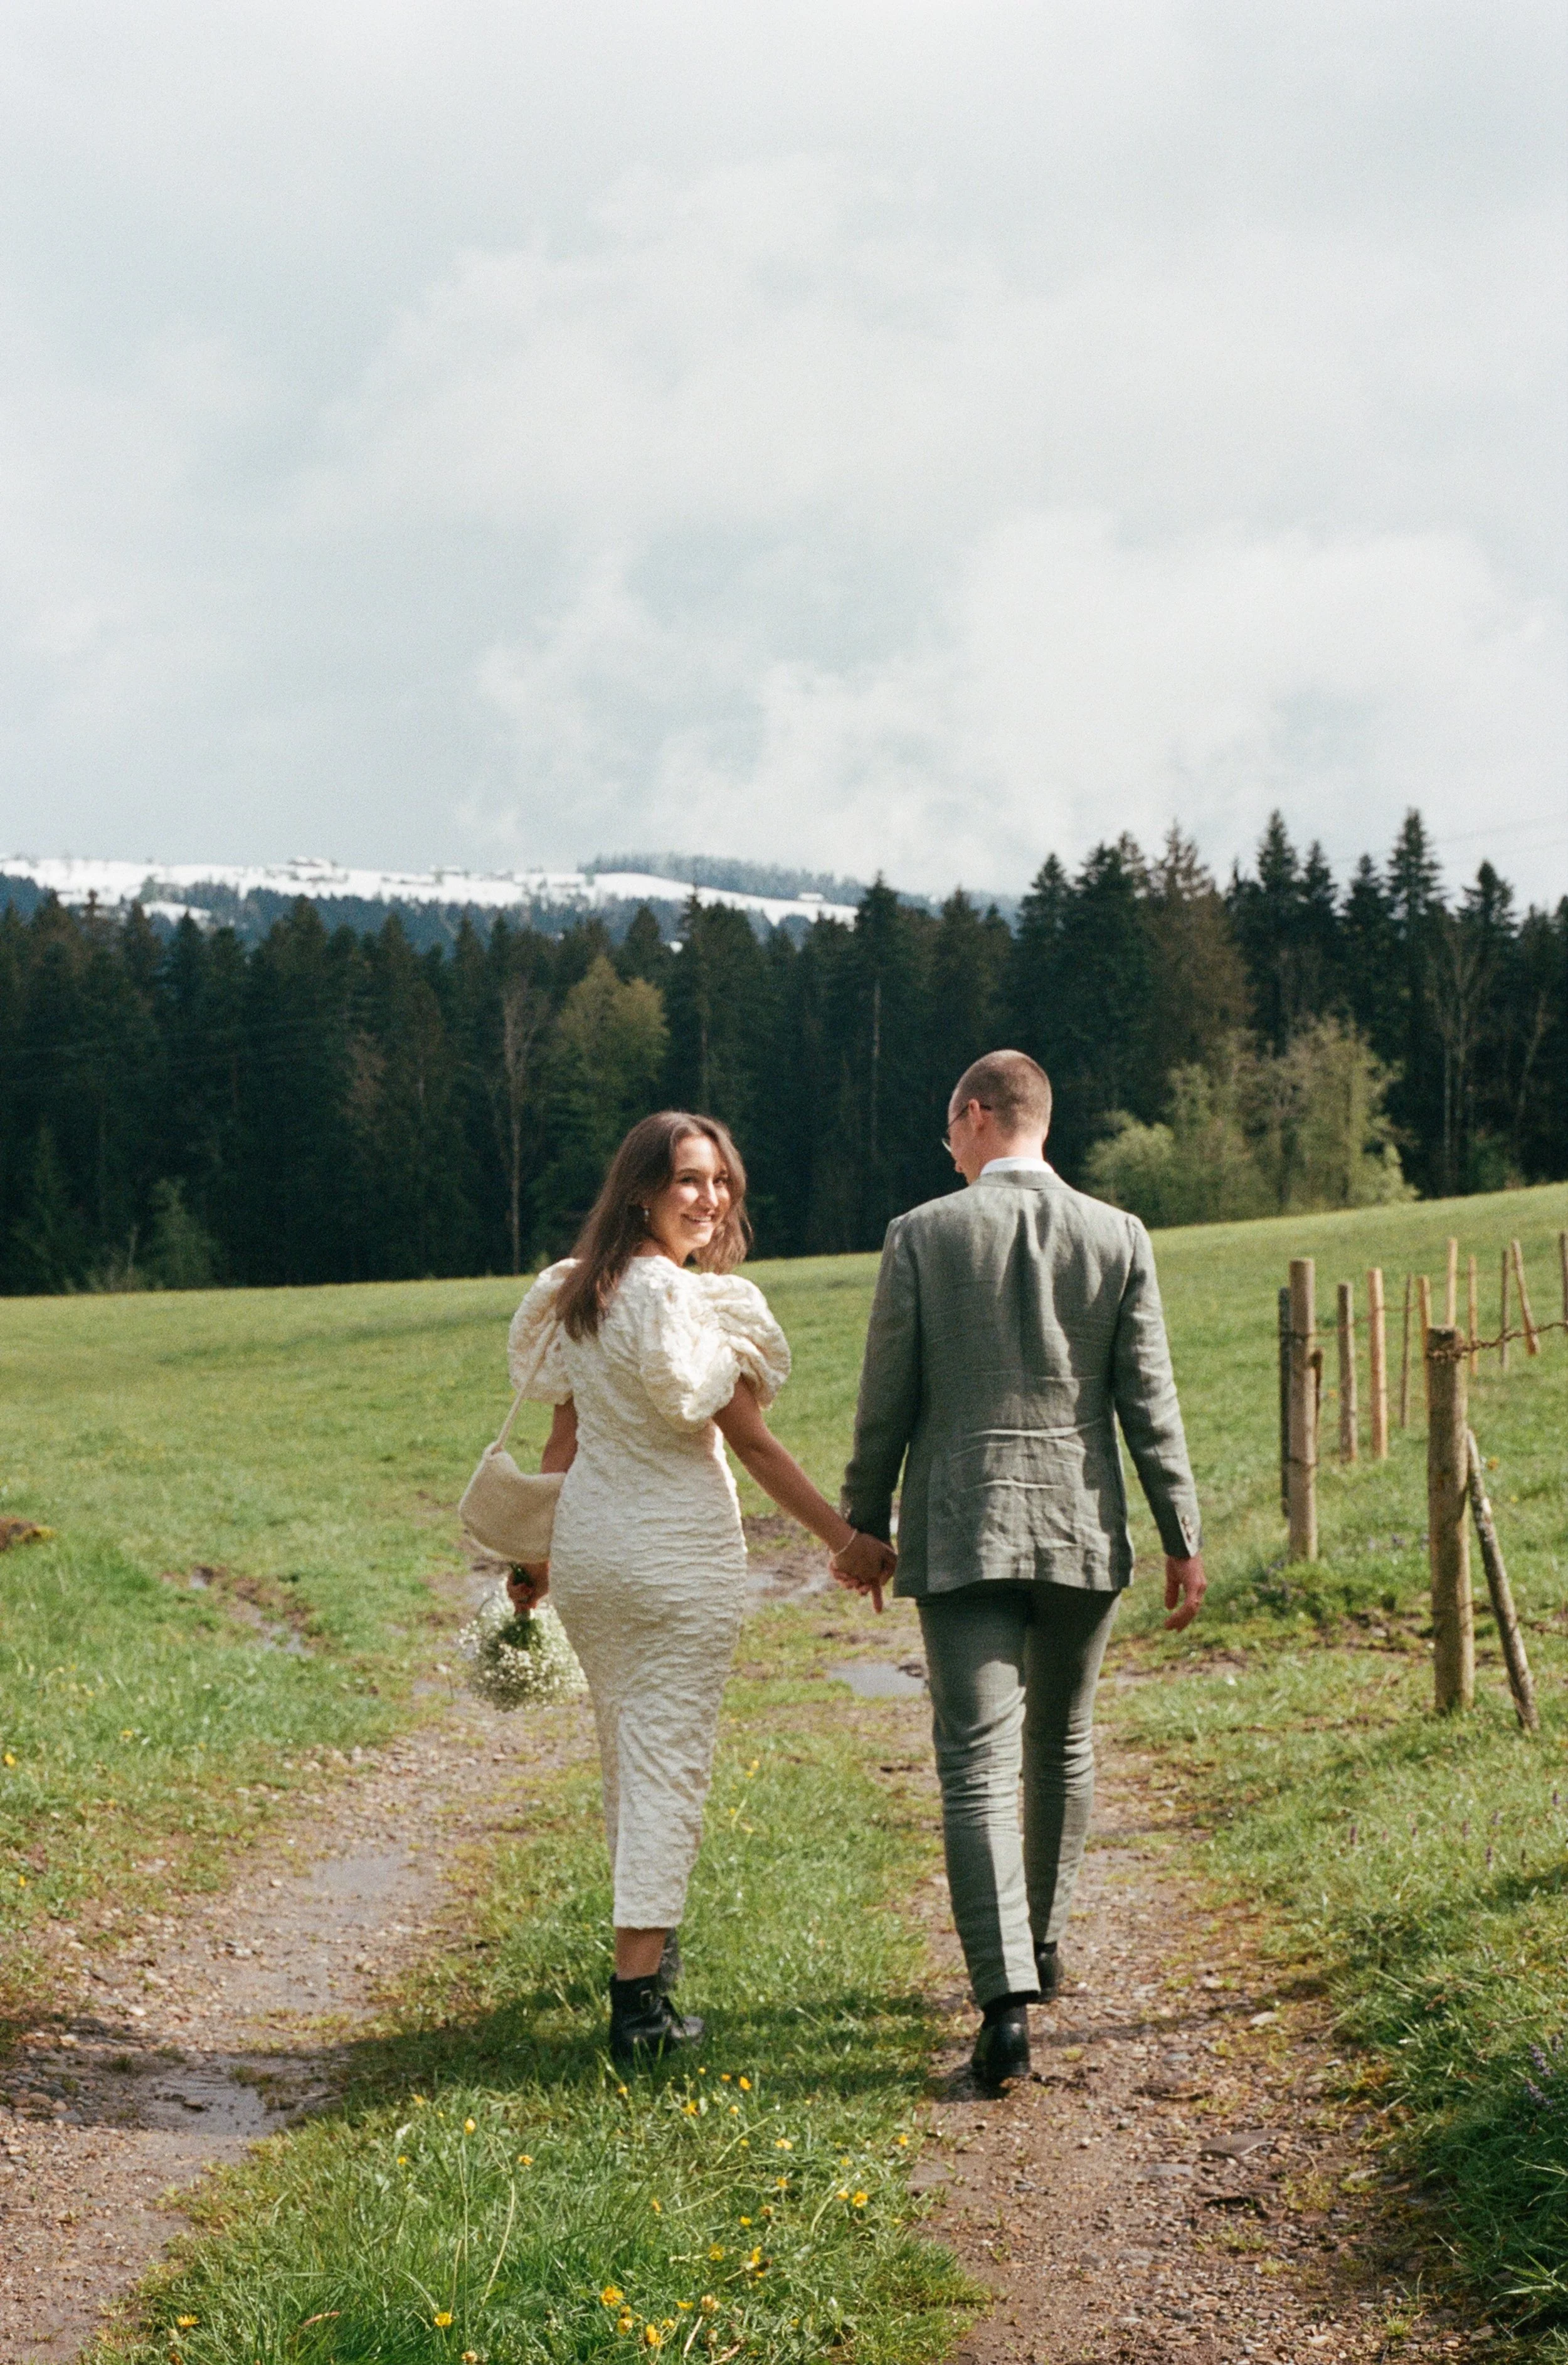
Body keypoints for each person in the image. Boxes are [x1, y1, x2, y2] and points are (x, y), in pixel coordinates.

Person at [837, 1049, 1205, 2095]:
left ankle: (1003, 2002)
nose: (944, 1146)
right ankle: (1041, 1943)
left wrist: (867, 1519)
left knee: (974, 1762)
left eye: (948, 1127)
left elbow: (886, 1398)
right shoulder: (1118, 1235)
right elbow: (1151, 1400)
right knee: (1065, 1741)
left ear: (977, 1113)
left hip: (961, 1527)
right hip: (1082, 1528)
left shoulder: (921, 1235)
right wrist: (1182, 1532)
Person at [504, 1109, 896, 2061]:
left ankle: (653, 1962)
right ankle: (637, 2009)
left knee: (629, 1757)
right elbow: (753, 1442)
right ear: (642, 1189)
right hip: (673, 1562)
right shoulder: (680, 1304)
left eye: (720, 1181)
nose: (709, 1199)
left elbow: (562, 1441)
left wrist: (538, 1561)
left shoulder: (582, 1291)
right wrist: (845, 1541)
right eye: (688, 1179)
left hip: (598, 1557)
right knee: (666, 1764)